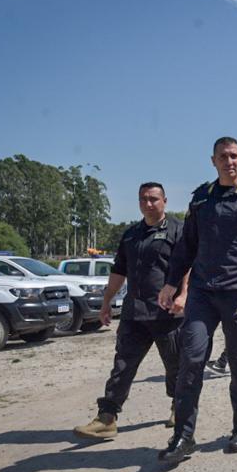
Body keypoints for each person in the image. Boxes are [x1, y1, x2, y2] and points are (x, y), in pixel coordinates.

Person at [156, 136, 237, 464]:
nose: (231, 161)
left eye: (235, 156)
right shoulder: (201, 199)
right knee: (191, 360)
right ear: (213, 160)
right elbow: (186, 245)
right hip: (202, 292)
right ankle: (183, 437)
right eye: (224, 157)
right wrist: (172, 284)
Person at [73, 182, 188, 440]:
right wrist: (106, 303)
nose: (149, 203)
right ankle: (107, 417)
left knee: (175, 365)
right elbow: (118, 271)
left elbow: (189, 265)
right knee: (122, 365)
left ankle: (179, 408)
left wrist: (184, 294)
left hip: (167, 314)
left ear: (165, 201)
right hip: (134, 313)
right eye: (144, 199)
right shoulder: (131, 234)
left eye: (154, 199)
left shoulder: (179, 230)